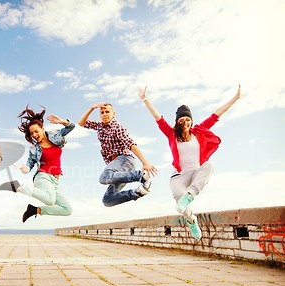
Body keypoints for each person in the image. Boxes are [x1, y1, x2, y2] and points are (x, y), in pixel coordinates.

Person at [138, 85, 241, 239]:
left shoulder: (199, 131)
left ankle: (191, 194)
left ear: (191, 121)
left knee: (210, 165)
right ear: (177, 122)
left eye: (188, 119)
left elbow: (216, 114)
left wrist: (235, 98)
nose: (185, 122)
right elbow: (157, 117)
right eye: (182, 120)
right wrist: (145, 99)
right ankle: (192, 220)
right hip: (179, 176)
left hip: (196, 173)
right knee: (180, 205)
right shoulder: (171, 134)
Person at [0, 107, 74, 222]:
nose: (34, 134)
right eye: (32, 133)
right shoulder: (34, 149)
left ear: (42, 129)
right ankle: (18, 187)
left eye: (36, 131)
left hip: (55, 181)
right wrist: (23, 168)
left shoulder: (55, 135)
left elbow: (71, 127)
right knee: (50, 201)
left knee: (67, 209)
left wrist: (62, 121)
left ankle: (35, 210)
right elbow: (28, 167)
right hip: (43, 177)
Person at [78, 102, 157, 207]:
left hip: (125, 159)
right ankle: (137, 192)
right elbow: (81, 123)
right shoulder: (99, 126)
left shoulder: (117, 127)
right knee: (108, 200)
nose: (105, 114)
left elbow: (130, 144)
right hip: (119, 171)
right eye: (102, 112)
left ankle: (141, 176)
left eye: (107, 112)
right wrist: (91, 108)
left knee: (104, 177)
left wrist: (145, 162)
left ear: (113, 114)